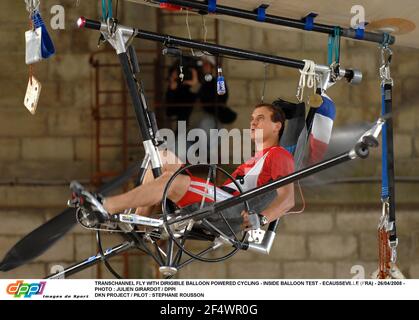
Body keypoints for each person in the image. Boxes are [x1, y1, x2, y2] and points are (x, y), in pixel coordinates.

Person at [79, 103, 295, 232]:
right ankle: (137, 221)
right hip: (220, 197)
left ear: (277, 126)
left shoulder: (279, 155)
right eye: (252, 119)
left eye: (260, 119)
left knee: (172, 181)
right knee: (163, 156)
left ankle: (107, 206)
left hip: (228, 208)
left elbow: (288, 199)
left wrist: (263, 218)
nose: (253, 123)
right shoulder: (256, 158)